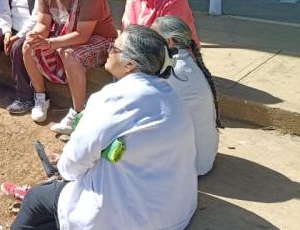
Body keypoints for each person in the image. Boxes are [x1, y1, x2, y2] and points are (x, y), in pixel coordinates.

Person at [11, 25, 197, 230]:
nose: (108, 48)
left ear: (130, 64)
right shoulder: (170, 96)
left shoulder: (113, 97)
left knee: (37, 199)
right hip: (176, 214)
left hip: (133, 221)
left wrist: (62, 164)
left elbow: (72, 165)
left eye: (115, 47)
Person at [22, 0, 117, 132]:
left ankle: (78, 112)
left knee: (69, 54)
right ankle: (41, 97)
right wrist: (36, 35)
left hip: (99, 39)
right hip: (65, 33)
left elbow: (82, 36)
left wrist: (50, 43)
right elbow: (43, 23)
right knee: (28, 46)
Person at [152, 15, 220, 175]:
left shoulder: (175, 71)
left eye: (154, 38)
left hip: (193, 165)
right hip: (203, 157)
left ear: (170, 42)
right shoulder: (185, 62)